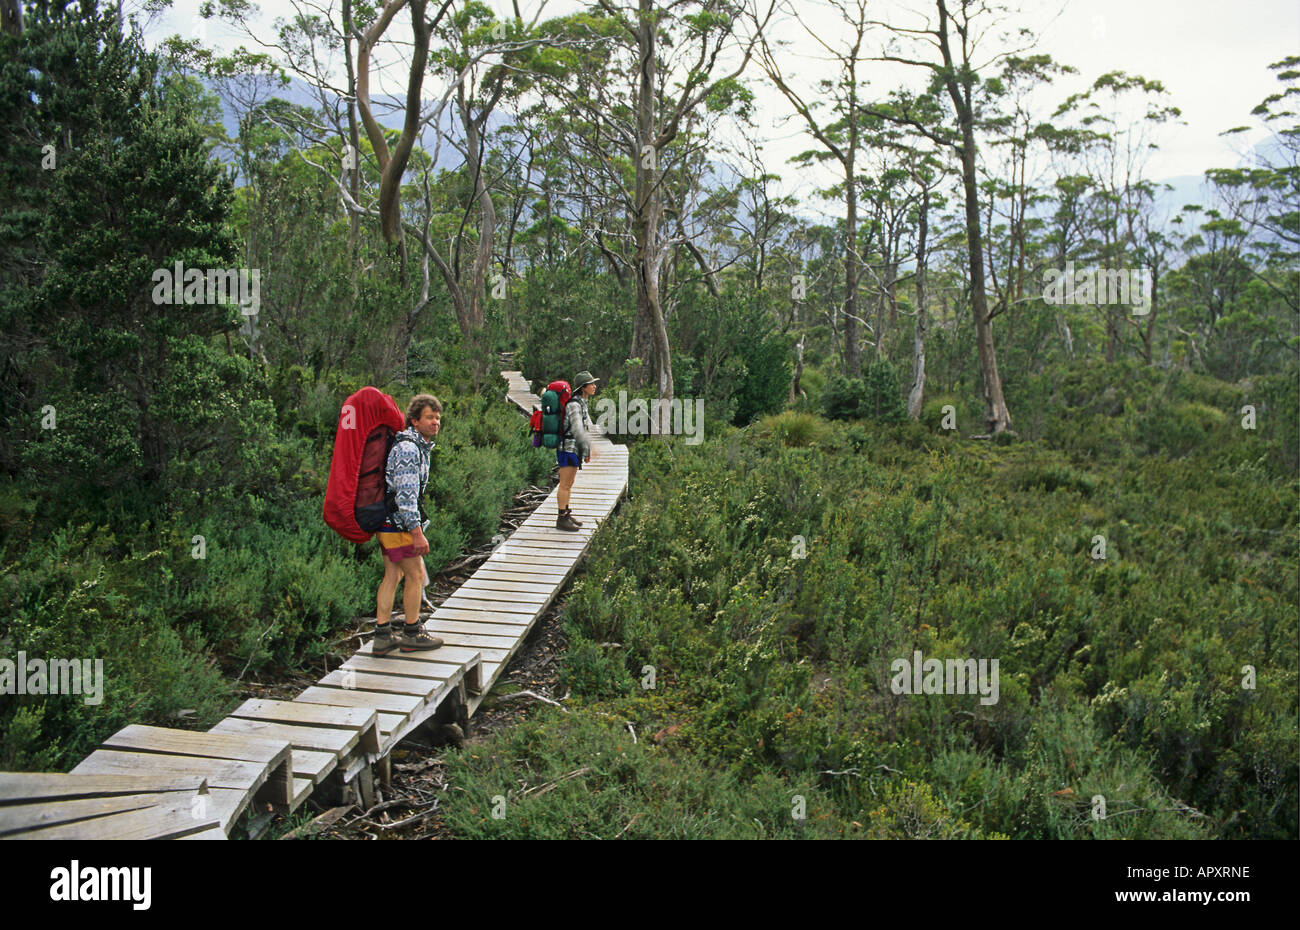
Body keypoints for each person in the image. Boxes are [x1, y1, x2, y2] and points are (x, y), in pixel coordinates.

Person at [373, 394, 444, 654]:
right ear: (414, 420)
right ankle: (412, 634)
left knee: (393, 574)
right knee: (414, 576)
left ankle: (382, 636)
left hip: (388, 524)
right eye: (429, 417)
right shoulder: (409, 449)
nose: (435, 422)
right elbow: (405, 495)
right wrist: (416, 532)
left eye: (437, 417)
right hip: (398, 526)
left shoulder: (416, 446)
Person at [556, 370, 598, 531]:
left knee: (569, 483)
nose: (594, 386)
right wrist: (588, 447)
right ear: (583, 387)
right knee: (565, 484)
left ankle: (566, 514)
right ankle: (561, 519)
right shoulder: (574, 405)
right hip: (567, 448)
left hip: (574, 449)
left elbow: (586, 428)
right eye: (591, 384)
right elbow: (577, 429)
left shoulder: (582, 403)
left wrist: (586, 450)